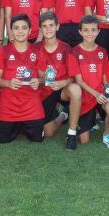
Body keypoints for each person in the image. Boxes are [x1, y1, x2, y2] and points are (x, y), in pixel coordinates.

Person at [67, 15, 109, 149]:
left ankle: (107, 135)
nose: (90, 33)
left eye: (93, 30)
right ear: (80, 32)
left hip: (101, 94)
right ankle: (90, 120)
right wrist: (96, 94)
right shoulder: (74, 52)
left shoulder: (102, 52)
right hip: (87, 97)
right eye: (86, 30)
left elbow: (106, 77)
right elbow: (79, 81)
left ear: (98, 32)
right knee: (84, 140)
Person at [0, 13, 46, 143]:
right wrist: (8, 83)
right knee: (4, 140)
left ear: (29, 30)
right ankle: (17, 124)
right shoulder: (3, 51)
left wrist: (38, 81)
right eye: (16, 28)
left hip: (31, 106)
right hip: (9, 106)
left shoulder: (37, 51)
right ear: (11, 30)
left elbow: (44, 78)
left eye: (24, 27)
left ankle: (23, 124)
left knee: (38, 139)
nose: (20, 31)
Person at [35, 12, 83, 149]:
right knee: (49, 132)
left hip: (62, 89)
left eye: (51, 25)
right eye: (44, 26)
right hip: (44, 91)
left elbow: (74, 75)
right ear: (41, 29)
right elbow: (34, 76)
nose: (48, 29)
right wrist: (42, 80)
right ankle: (63, 115)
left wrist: (63, 82)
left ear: (57, 27)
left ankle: (71, 134)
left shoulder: (66, 48)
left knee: (75, 89)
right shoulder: (36, 48)